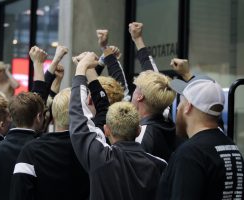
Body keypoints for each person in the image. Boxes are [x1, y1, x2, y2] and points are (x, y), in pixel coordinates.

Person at [69, 52, 167, 200]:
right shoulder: (161, 166)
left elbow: (78, 117)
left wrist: (82, 67)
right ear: (138, 130)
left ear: (106, 130)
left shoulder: (100, 158)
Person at [0, 45, 68, 200]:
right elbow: (38, 98)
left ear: (11, 116)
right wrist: (42, 63)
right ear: (39, 117)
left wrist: (47, 63)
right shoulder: (41, 147)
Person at [157, 78, 244, 199]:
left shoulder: (190, 154)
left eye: (181, 103)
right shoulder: (232, 148)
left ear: (188, 107)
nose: (177, 108)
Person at [10, 88, 90, 200]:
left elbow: (19, 193)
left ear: (53, 115)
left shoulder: (32, 150)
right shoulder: (91, 149)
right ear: (82, 114)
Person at [129, 22, 179, 161]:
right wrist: (137, 39)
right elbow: (151, 72)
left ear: (139, 97)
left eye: (135, 89)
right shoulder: (166, 119)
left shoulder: (141, 137)